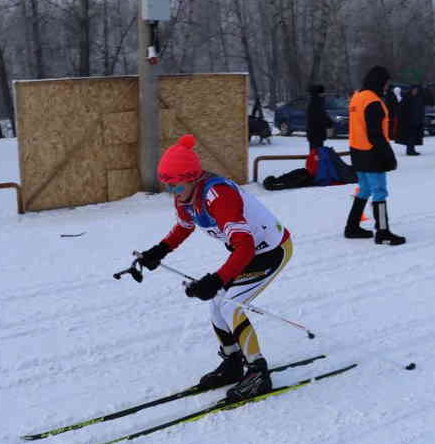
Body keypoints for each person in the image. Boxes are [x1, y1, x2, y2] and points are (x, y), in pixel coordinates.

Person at [137, 134, 292, 401]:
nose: (172, 193)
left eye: (174, 186)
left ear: (192, 177)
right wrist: (158, 251)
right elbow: (184, 227)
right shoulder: (186, 196)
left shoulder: (219, 197)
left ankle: (258, 372)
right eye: (167, 187)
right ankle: (233, 362)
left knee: (231, 304)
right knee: (216, 305)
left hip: (271, 251)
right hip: (247, 252)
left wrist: (216, 280)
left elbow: (245, 248)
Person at [343, 65, 406, 245]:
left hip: (357, 151)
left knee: (364, 189)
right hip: (371, 152)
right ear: (380, 82)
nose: (387, 87)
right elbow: (376, 134)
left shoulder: (357, 97)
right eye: (386, 83)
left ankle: (352, 226)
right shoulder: (373, 102)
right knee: (379, 191)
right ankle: (383, 232)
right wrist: (388, 156)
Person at [396, 84, 425, 155]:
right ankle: (410, 150)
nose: (415, 91)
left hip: (417, 120)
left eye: (416, 90)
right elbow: (402, 109)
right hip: (409, 121)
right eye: (414, 90)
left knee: (414, 136)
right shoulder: (407, 97)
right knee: (410, 136)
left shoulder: (418, 98)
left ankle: (412, 149)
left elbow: (420, 109)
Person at [305, 84, 333, 151]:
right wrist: (329, 123)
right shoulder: (316, 103)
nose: (324, 94)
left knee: (316, 154)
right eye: (322, 92)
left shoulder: (316, 102)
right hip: (316, 134)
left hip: (315, 134)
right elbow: (321, 117)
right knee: (316, 155)